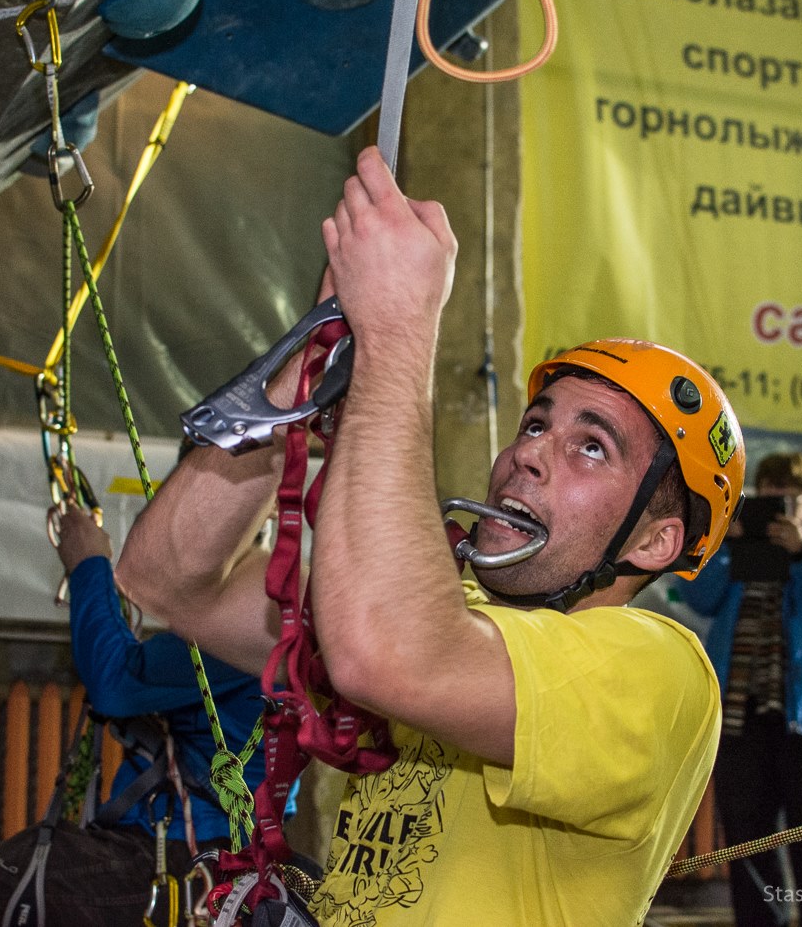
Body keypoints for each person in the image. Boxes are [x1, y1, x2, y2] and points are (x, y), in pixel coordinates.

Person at [114, 146, 747, 926]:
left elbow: (391, 656)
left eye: (592, 446)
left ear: (653, 542)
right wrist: (305, 375)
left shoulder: (660, 672)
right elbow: (167, 580)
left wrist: (397, 336)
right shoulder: (443, 605)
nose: (530, 452)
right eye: (538, 424)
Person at [0, 505, 300, 927]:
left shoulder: (253, 610)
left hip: (179, 857)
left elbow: (114, 682)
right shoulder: (282, 599)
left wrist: (87, 563)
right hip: (219, 854)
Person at [674, 451, 802, 927]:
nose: (779, 505)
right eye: (770, 496)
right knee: (748, 844)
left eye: (790, 498)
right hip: (742, 718)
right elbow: (696, 595)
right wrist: (725, 546)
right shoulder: (738, 535)